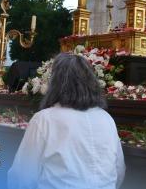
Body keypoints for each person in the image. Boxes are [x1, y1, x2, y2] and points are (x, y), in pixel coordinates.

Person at [8, 53, 125, 189]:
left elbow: (23, 176)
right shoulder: (106, 118)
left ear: (55, 83)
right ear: (91, 82)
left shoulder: (45, 119)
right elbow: (119, 170)